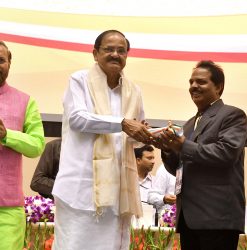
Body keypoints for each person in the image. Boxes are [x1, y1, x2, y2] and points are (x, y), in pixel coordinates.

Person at [52, 30, 153, 250]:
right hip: (80, 191)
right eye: (109, 49)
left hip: (117, 193)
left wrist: (150, 135)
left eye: (121, 50)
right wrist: (122, 123)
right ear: (95, 53)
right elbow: (78, 119)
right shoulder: (79, 80)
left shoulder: (134, 91)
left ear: (127, 55)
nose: (115, 54)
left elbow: (134, 135)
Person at [156, 60, 247, 250]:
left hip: (217, 218)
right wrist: (166, 148)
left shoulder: (232, 115)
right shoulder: (188, 124)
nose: (194, 86)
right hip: (188, 218)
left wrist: (182, 145)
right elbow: (178, 169)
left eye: (201, 82)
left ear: (219, 87)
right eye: (191, 82)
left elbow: (226, 153)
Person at [0, 41, 45, 250]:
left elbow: (36, 145)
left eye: (1, 60)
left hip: (7, 208)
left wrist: (7, 135)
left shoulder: (25, 101)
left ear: (9, 63)